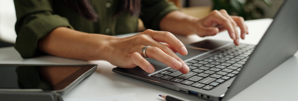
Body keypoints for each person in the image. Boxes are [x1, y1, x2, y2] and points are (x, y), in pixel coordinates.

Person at [14, 0, 248, 74]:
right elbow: (35, 23)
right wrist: (111, 46)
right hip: (62, 75)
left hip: (127, 78)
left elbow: (155, 7)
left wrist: (193, 23)